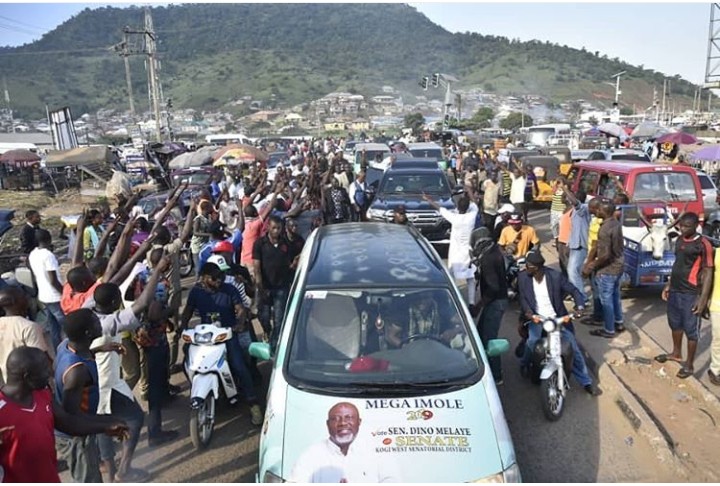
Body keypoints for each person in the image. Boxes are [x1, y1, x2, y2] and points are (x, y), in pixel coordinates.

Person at [0, 346, 128, 483]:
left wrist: (107, 425)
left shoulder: (43, 395)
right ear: (27, 376)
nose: (50, 373)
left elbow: (68, 423)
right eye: (43, 369)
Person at [181, 262, 263, 426]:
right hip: (205, 336)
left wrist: (239, 323)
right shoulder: (196, 292)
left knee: (239, 366)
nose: (219, 280)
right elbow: (187, 312)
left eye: (221, 277)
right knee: (187, 362)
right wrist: (182, 327)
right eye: (214, 278)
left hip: (227, 335)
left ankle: (253, 404)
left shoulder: (229, 289)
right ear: (204, 278)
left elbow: (240, 309)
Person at [517, 251, 601, 396]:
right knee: (532, 342)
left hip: (557, 319)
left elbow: (574, 291)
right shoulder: (523, 277)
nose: (526, 268)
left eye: (528, 266)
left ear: (536, 267)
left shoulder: (555, 277)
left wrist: (579, 307)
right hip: (538, 318)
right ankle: (524, 364)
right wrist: (529, 313)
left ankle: (586, 382)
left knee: (572, 348)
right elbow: (523, 298)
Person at [656, 212, 714, 379]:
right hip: (675, 290)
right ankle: (675, 353)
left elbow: (708, 272)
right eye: (681, 226)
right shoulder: (680, 240)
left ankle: (689, 365)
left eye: (687, 226)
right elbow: (678, 264)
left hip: (691, 292)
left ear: (696, 226)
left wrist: (702, 300)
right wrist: (668, 285)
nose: (683, 229)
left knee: (691, 330)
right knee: (675, 323)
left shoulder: (704, 244)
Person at [289, 402, 399, 483]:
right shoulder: (311, 455)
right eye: (336, 419)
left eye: (349, 417)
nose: (343, 423)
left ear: (359, 422)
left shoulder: (376, 452)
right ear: (327, 424)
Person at [470, 227, 508, 384]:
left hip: (495, 302)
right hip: (495, 301)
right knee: (480, 334)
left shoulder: (488, 259)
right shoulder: (493, 252)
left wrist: (479, 305)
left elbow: (493, 287)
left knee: (489, 339)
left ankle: (496, 375)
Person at [423, 192, 478, 303]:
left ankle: (452, 300)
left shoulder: (454, 218)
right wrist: (469, 192)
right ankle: (471, 302)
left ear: (457, 207)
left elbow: (440, 208)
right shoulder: (471, 216)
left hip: (455, 253)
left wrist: (428, 199)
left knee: (452, 277)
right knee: (470, 278)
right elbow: (475, 204)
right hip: (468, 252)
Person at [584, 200, 625, 338]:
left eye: (599, 209)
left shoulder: (605, 230)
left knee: (606, 300)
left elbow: (605, 255)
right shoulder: (616, 224)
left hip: (608, 269)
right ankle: (618, 322)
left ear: (604, 211)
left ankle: (609, 330)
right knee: (615, 296)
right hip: (619, 265)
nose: (597, 211)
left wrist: (591, 266)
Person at [253, 215, 293, 348]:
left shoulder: (285, 243)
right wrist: (260, 286)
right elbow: (257, 267)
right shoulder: (259, 243)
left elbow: (291, 261)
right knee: (263, 316)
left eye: (279, 228)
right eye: (274, 228)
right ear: (268, 227)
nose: (276, 231)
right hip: (265, 286)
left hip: (281, 287)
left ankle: (274, 346)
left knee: (279, 319)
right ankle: (266, 331)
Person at [0, 287, 53, 385]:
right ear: (14, 302)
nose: (27, 299)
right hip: (34, 382)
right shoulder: (29, 327)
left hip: (10, 382)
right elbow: (42, 358)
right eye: (23, 296)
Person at [28, 228, 65, 349]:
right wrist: (64, 293)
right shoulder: (48, 256)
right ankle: (73, 349)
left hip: (43, 295)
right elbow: (53, 280)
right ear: (49, 239)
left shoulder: (33, 254)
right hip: (54, 295)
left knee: (53, 326)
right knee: (66, 325)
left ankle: (57, 349)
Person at [563, 185, 592, 307]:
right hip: (575, 244)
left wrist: (565, 189)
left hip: (581, 245)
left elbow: (575, 203)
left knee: (572, 271)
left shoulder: (583, 208)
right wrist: (568, 244)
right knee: (573, 272)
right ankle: (577, 295)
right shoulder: (575, 210)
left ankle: (582, 298)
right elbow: (573, 229)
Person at [707, 246, 720, 386]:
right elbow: (707, 278)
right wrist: (704, 300)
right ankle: (715, 370)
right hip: (717, 305)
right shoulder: (716, 253)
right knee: (718, 339)